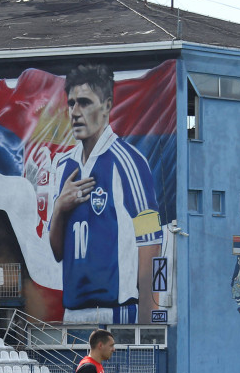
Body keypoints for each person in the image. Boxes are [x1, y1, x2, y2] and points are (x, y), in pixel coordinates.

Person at [49, 64, 163, 325]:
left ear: (107, 106)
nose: (75, 112)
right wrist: (59, 208)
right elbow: (57, 252)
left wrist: (146, 329)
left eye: (85, 103)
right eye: (71, 104)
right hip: (73, 312)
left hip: (117, 312)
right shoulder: (63, 166)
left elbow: (151, 245)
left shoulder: (130, 163)